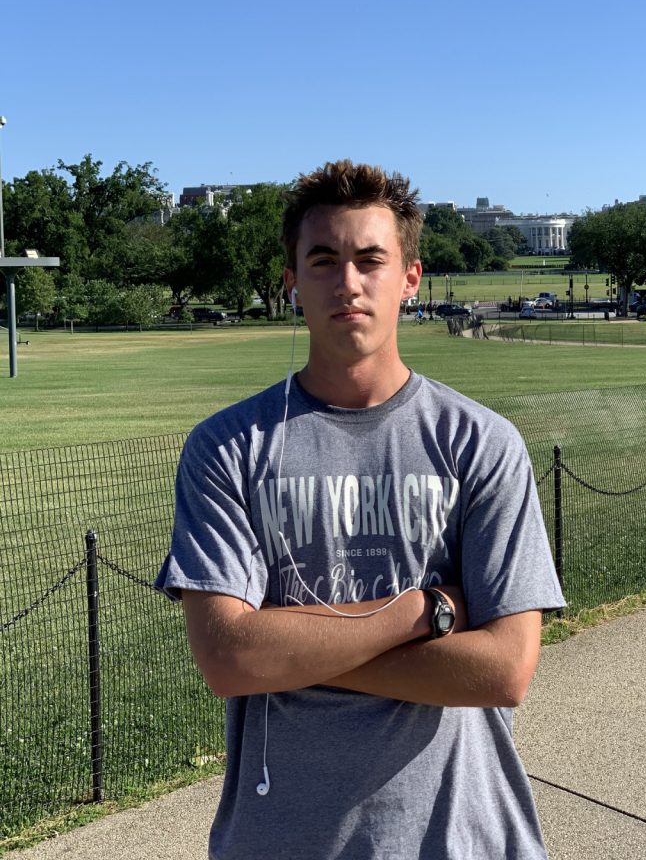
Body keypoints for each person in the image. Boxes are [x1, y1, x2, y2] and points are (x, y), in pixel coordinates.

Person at [156, 159, 565, 860]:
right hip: (283, 839)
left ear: (410, 277)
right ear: (290, 281)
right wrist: (425, 613)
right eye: (322, 259)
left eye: (371, 259)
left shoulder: (480, 443)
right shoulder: (229, 448)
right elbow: (227, 660)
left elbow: (503, 672)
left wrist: (284, 650)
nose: (347, 282)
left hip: (461, 835)